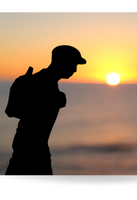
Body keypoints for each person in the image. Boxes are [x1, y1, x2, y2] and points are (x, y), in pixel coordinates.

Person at [5, 45, 86, 175]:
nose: (75, 70)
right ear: (62, 62)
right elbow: (12, 111)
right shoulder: (39, 83)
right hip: (30, 155)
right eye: (73, 64)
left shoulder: (46, 84)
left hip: (32, 152)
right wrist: (19, 87)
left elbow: (14, 111)